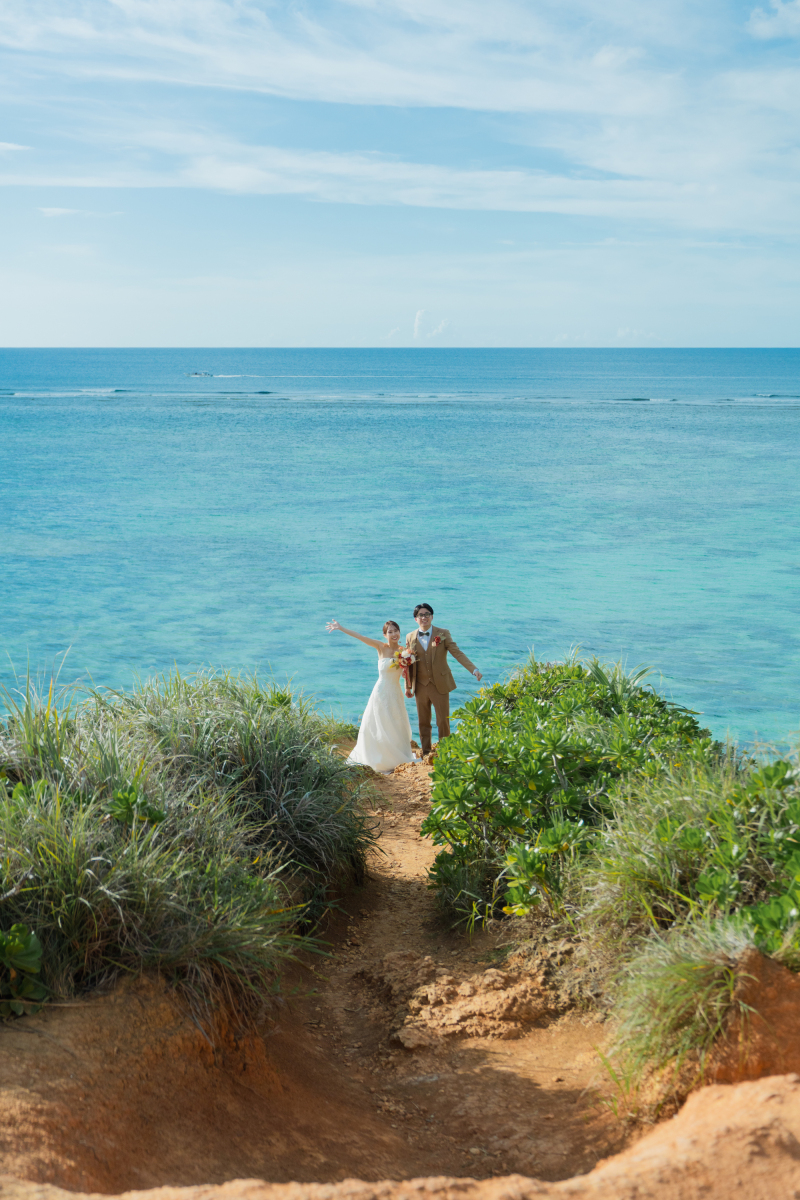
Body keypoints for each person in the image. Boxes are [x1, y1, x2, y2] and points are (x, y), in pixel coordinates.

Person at [325, 618, 415, 773]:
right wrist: (341, 627)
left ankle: (397, 756)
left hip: (395, 693)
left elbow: (407, 673)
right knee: (378, 723)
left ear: (399, 632)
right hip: (381, 692)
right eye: (390, 632)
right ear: (385, 635)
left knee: (395, 723)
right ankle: (379, 758)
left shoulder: (405, 652)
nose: (394, 634)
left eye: (396, 631)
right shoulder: (380, 647)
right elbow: (360, 636)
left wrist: (408, 688)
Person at [405, 603, 482, 756]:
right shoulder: (410, 636)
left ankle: (446, 752)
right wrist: (408, 686)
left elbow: (457, 653)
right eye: (421, 615)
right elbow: (408, 663)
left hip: (439, 683)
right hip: (420, 685)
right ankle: (426, 753)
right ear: (415, 619)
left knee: (443, 721)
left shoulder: (443, 633)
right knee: (423, 721)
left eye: (427, 614)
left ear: (432, 617)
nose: (424, 617)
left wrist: (473, 669)